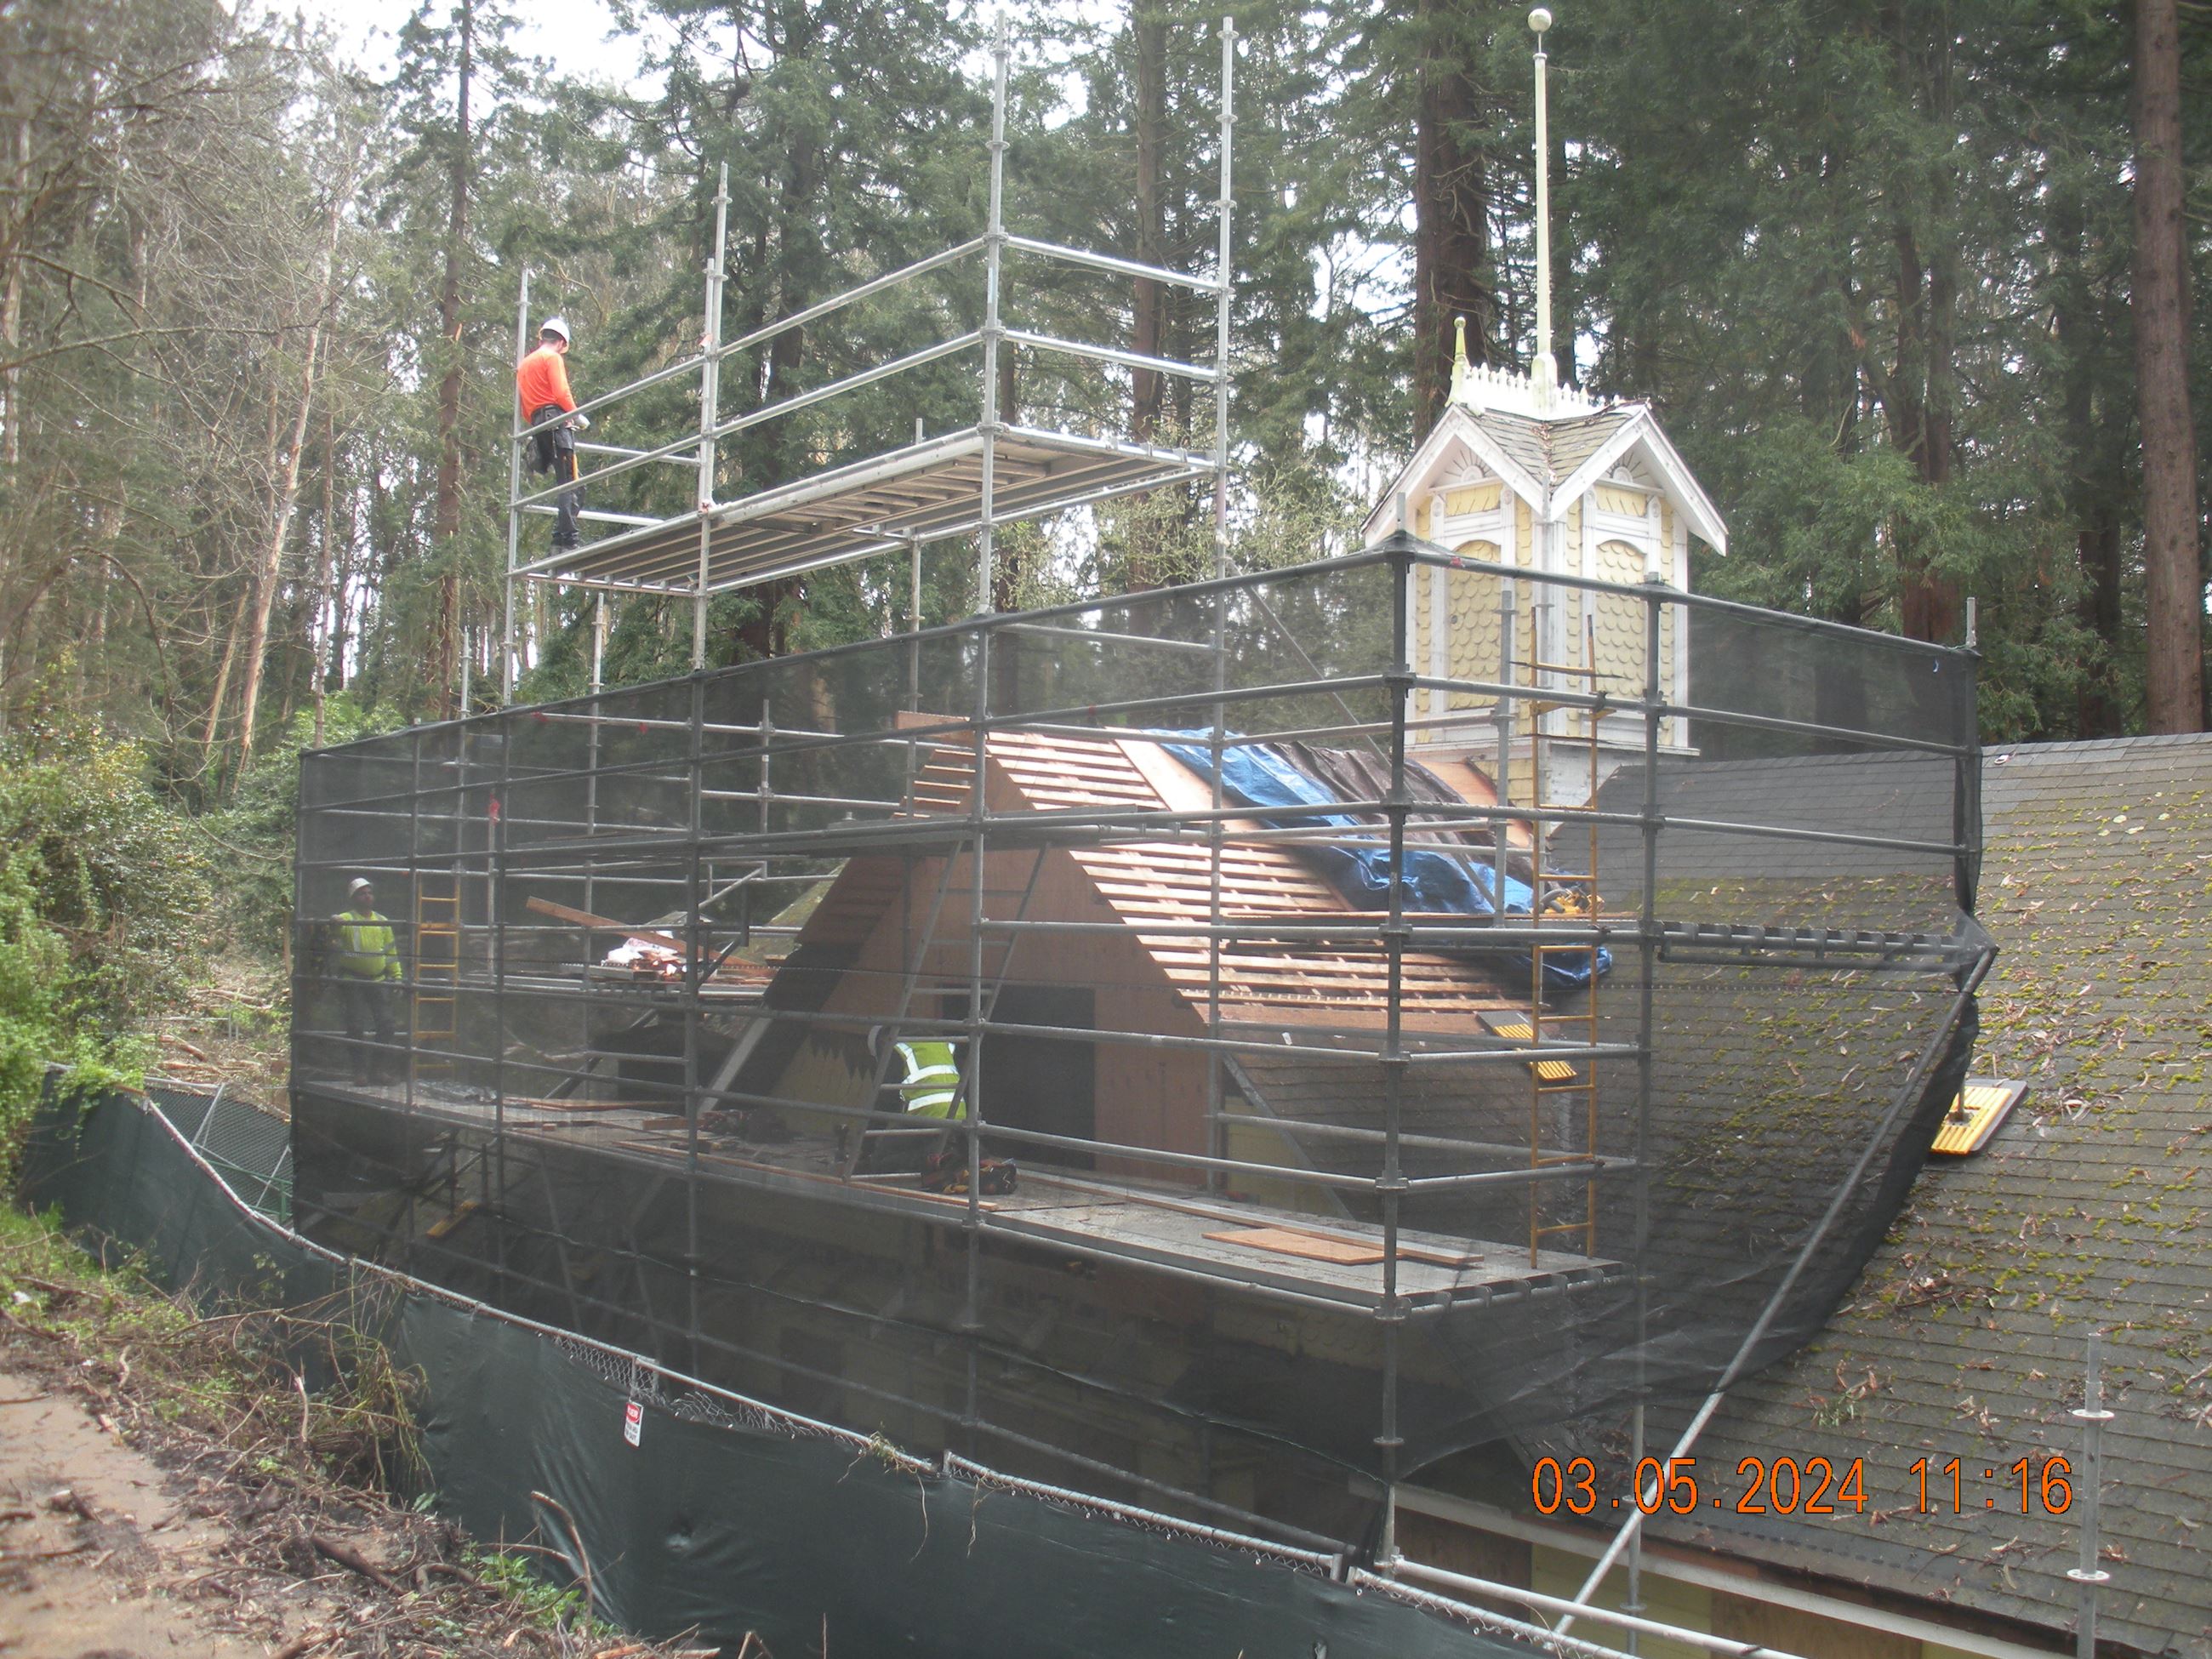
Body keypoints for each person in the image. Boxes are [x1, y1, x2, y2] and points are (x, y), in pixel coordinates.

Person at [516, 316, 588, 552]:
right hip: (557, 423)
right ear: (561, 342)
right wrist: (577, 415)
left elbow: (526, 406)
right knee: (570, 483)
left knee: (572, 483)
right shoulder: (552, 358)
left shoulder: (525, 364)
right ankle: (567, 539)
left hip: (539, 424)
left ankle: (561, 536)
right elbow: (560, 392)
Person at [334, 876, 403, 1085]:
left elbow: (391, 953)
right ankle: (359, 1072)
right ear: (353, 898)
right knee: (355, 1026)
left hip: (378, 980)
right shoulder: (347, 919)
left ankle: (377, 1070)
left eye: (369, 892)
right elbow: (334, 933)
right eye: (362, 893)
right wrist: (334, 923)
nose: (367, 896)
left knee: (387, 1024)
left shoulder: (382, 922)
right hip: (353, 981)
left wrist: (397, 977)